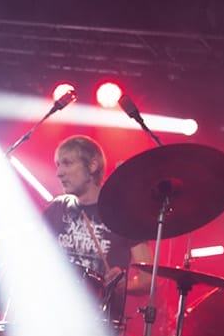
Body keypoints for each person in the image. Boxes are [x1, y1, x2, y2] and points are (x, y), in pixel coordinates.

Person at [42, 134, 152, 323]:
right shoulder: (57, 208)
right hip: (52, 318)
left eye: (67, 163)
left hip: (99, 326)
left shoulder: (123, 213)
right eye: (58, 165)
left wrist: (124, 285)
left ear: (92, 166)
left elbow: (148, 280)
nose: (59, 173)